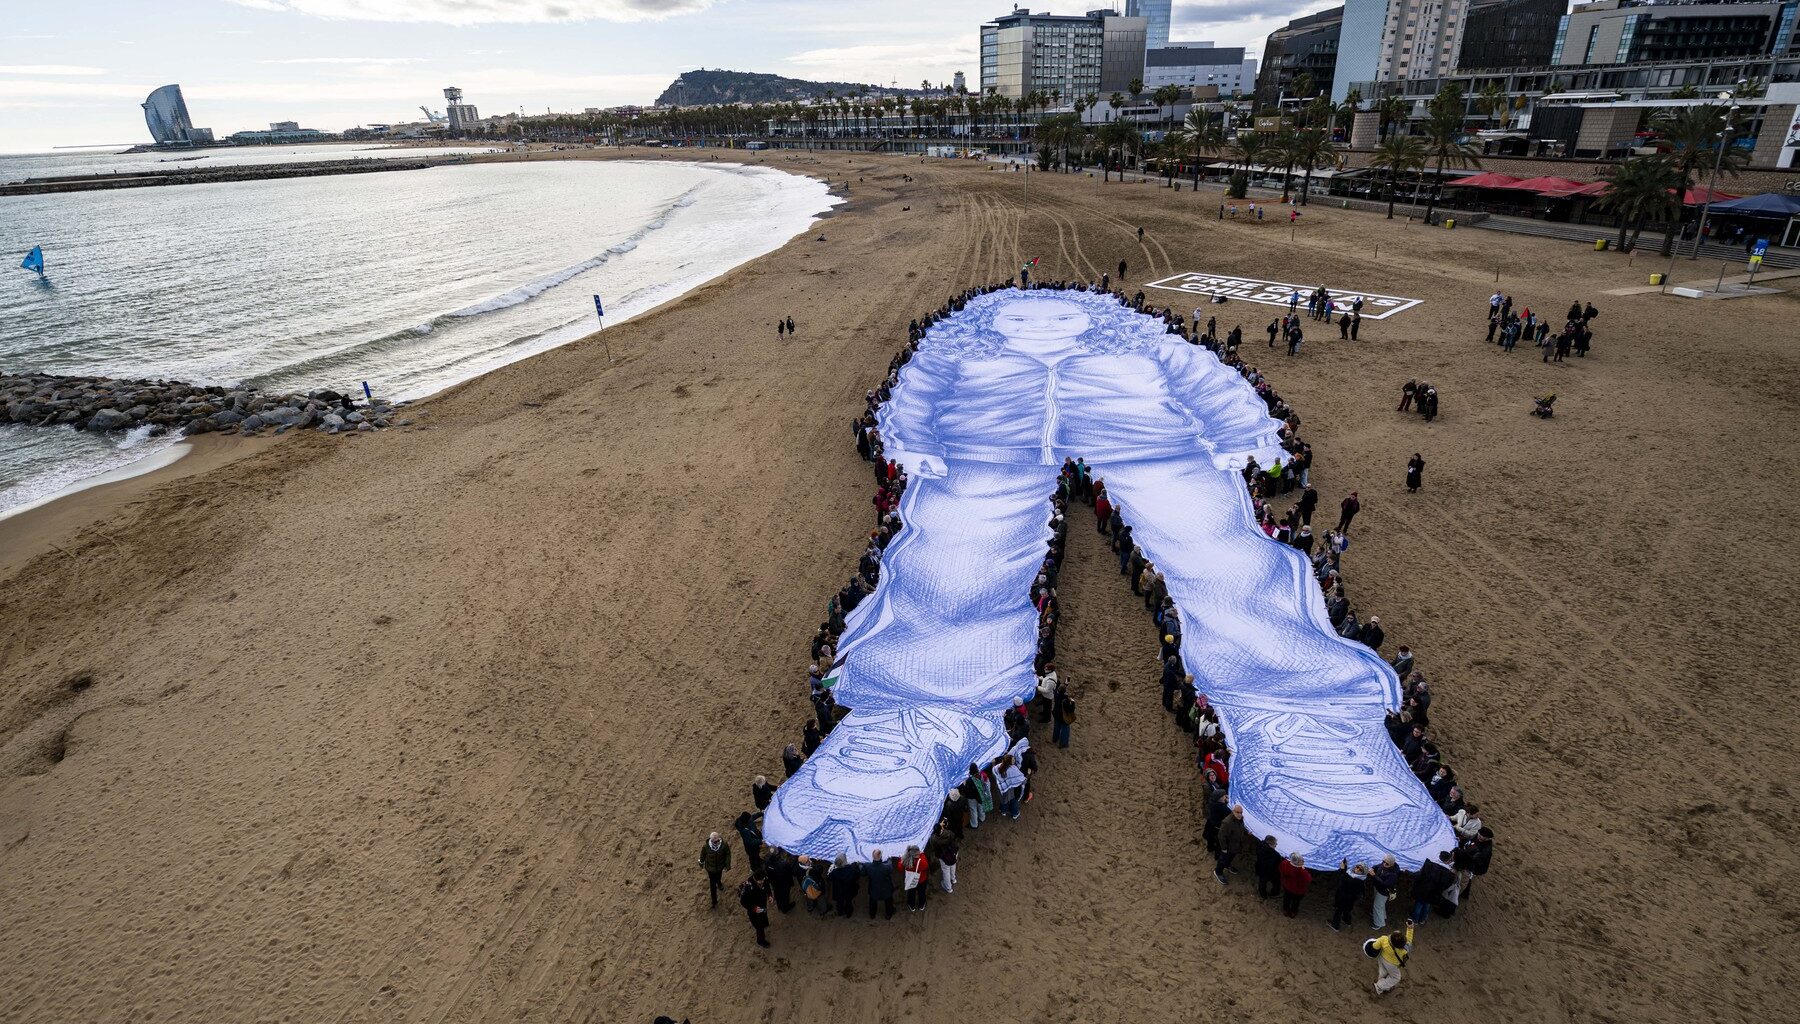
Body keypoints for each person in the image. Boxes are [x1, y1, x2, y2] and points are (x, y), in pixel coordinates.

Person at [1368, 921, 1416, 995]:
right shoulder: (1404, 950)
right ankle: (1379, 986)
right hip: (1392, 964)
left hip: (1381, 958)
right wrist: (1410, 929)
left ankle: (1384, 987)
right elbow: (1409, 940)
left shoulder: (1384, 939)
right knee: (1396, 977)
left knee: (1383, 971)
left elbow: (1375, 946)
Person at [1215, 803, 1251, 884]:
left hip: (1236, 845)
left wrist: (1246, 832)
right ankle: (1218, 872)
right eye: (1237, 812)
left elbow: (1241, 827)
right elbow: (1221, 836)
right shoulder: (1227, 822)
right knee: (1223, 859)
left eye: (1241, 812)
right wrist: (1224, 848)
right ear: (1233, 811)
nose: (1239, 814)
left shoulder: (1240, 819)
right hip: (1228, 846)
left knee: (1231, 857)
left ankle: (1227, 865)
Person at [1330, 861, 1368, 931]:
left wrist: (1342, 869)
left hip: (1344, 897)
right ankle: (1347, 921)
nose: (1357, 869)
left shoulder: (1357, 880)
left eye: (1360, 870)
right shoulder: (1360, 879)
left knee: (1339, 911)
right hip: (1351, 899)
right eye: (1357, 867)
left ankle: (1335, 925)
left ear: (1363, 872)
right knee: (1347, 910)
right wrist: (1345, 868)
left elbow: (1343, 880)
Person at [699, 832, 732, 908]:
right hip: (710, 869)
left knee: (719, 877)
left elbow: (728, 854)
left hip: (720, 867)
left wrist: (727, 865)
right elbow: (702, 854)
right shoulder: (706, 846)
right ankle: (714, 901)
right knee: (712, 885)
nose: (717, 842)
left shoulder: (724, 845)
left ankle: (719, 883)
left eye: (718, 840)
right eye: (715, 842)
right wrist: (701, 862)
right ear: (711, 840)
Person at [738, 874, 771, 947]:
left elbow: (767, 887)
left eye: (763, 880)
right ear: (756, 879)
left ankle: (765, 923)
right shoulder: (748, 887)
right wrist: (754, 908)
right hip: (754, 911)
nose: (762, 882)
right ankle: (761, 941)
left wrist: (769, 895)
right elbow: (743, 902)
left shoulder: (763, 879)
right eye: (761, 881)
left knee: (764, 915)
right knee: (759, 926)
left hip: (762, 905)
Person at [1370, 855, 1400, 929]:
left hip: (1383, 892)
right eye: (1383, 861)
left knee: (1377, 906)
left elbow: (1385, 884)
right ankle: (1382, 916)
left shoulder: (1393, 875)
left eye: (1386, 863)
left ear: (1391, 864)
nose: (1384, 864)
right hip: (1378, 888)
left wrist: (1374, 876)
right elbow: (1378, 866)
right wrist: (1373, 868)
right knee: (1380, 905)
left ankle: (1378, 924)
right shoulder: (1385, 864)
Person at [1279, 852, 1312, 917]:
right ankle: (1293, 912)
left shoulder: (1285, 863)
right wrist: (1303, 869)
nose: (1303, 861)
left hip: (1287, 885)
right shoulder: (1302, 871)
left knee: (1287, 898)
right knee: (1296, 901)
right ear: (1298, 862)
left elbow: (1280, 869)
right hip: (1298, 890)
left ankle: (1285, 910)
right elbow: (1308, 880)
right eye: (1302, 860)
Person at [865, 850, 896, 919]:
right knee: (888, 902)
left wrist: (859, 865)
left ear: (872, 856)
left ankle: (872, 914)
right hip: (886, 889)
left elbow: (863, 872)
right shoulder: (887, 867)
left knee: (872, 902)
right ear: (881, 856)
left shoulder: (868, 867)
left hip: (874, 889)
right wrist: (889, 859)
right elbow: (890, 866)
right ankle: (888, 914)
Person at [902, 845, 930, 911]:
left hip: (911, 880)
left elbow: (900, 867)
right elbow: (926, 866)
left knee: (911, 893)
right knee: (922, 892)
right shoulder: (922, 861)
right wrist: (922, 854)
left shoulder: (905, 860)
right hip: (921, 880)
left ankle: (912, 906)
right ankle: (921, 905)